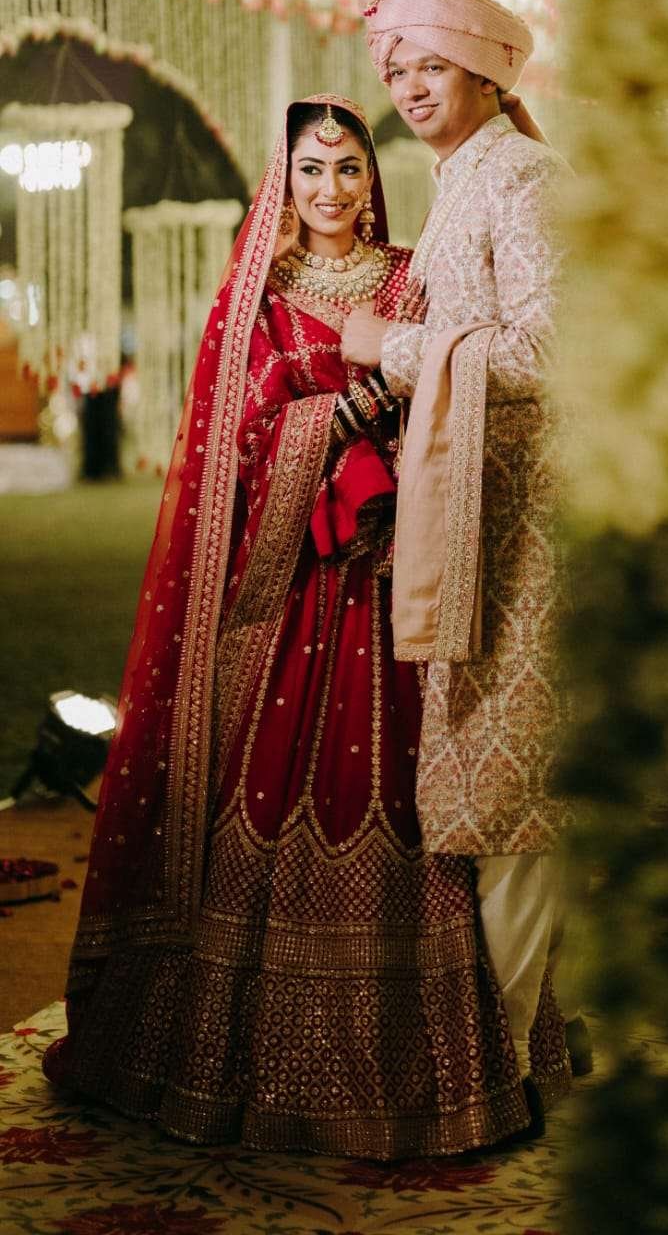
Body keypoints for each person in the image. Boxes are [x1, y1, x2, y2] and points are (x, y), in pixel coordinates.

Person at [43, 93, 567, 1156]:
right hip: (306, 589)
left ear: (374, 181)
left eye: (349, 169)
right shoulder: (259, 299)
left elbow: (474, 366)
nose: (331, 189)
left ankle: (476, 1052)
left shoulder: (416, 276)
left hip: (414, 571)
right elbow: (237, 445)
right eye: (310, 172)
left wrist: (395, 384)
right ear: (283, 186)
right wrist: (354, 405)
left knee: (445, 798)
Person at [344, 0, 589, 1126]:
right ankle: (516, 1050)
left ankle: (492, 1070)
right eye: (395, 69)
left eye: (430, 64)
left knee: (510, 789)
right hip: (474, 517)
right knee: (487, 784)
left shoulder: (525, 179)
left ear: (486, 71)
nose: (408, 86)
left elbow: (547, 352)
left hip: (526, 528)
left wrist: (390, 350)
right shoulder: (460, 185)